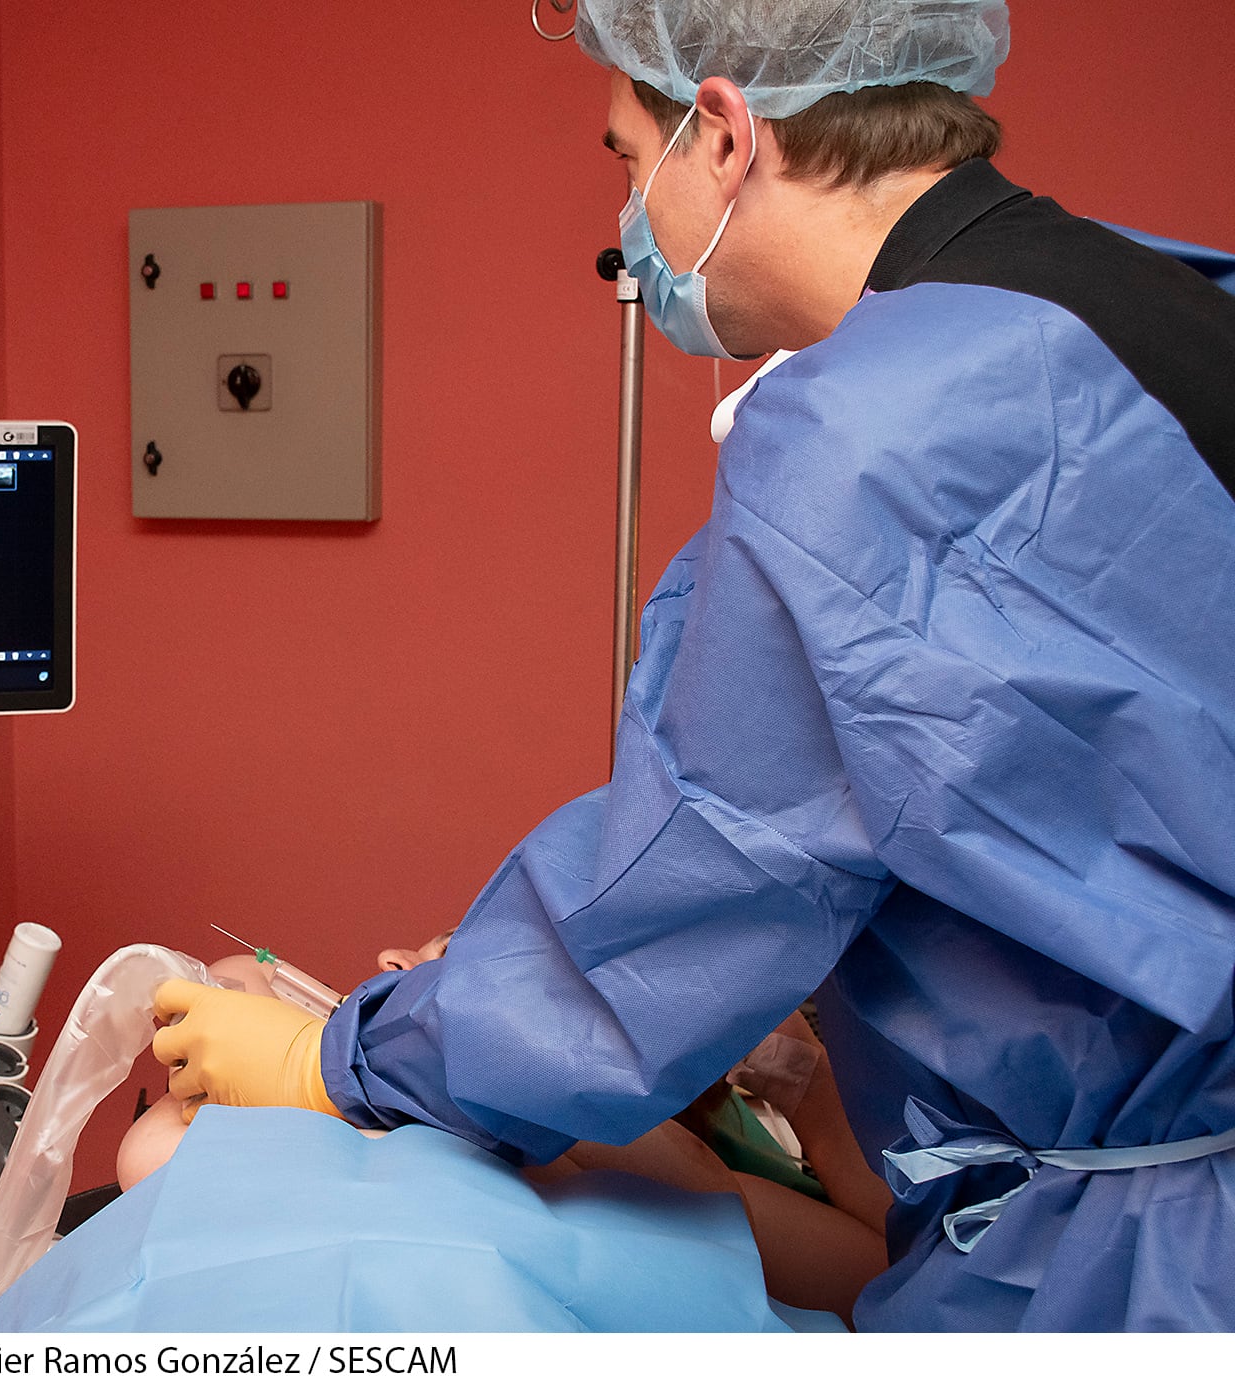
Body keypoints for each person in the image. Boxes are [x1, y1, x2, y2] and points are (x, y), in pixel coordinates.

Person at [154, 0, 1235, 1331]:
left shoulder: (867, 433)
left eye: (625, 157)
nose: (628, 219)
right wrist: (808, 1034)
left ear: (722, 133)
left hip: (1150, 1271)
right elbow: (1077, 796)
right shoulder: (1154, 304)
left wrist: (340, 1058)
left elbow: (705, 879)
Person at [132, 939, 889, 1322]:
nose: (397, 963)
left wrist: (808, 1080)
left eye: (463, 957)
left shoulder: (692, 1170)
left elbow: (882, 1280)